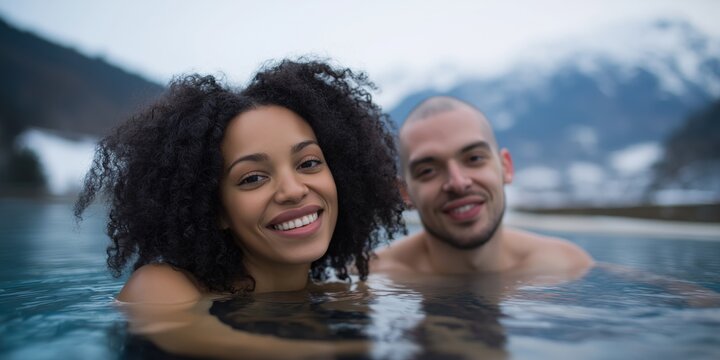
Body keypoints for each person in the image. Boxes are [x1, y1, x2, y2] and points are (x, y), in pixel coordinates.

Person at [74, 59, 405, 358]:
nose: (292, 190)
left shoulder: (337, 294)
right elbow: (192, 335)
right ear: (214, 209)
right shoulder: (163, 287)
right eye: (253, 178)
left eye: (308, 163)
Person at [371, 95, 593, 276]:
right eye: (428, 171)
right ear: (405, 193)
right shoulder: (372, 277)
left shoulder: (568, 265)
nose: (458, 183)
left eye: (474, 159)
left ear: (506, 167)